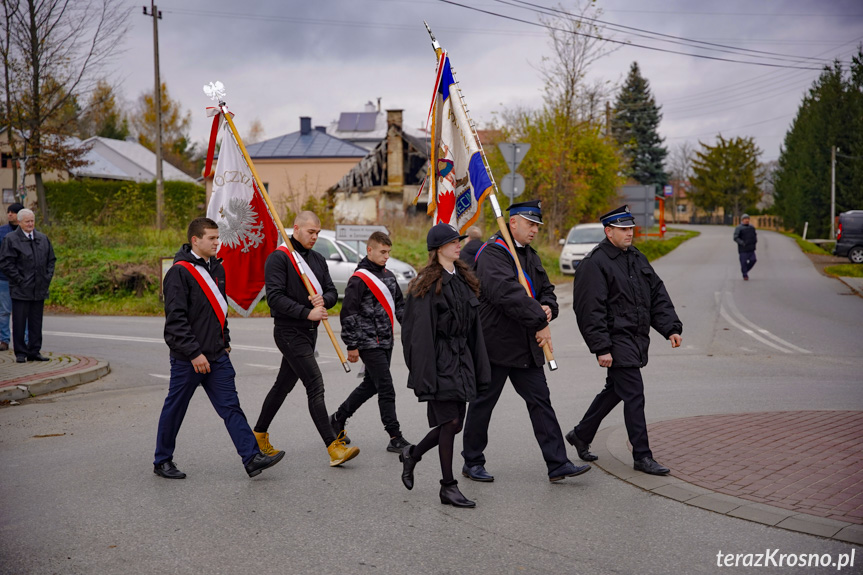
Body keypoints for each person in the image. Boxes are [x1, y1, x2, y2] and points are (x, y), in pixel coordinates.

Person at [461, 200, 590, 483]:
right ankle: (472, 461)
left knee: (540, 402)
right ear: (513, 223)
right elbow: (506, 294)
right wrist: (540, 320)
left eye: (537, 226)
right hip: (495, 345)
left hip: (525, 346)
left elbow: (547, 291)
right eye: (530, 224)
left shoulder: (530, 255)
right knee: (484, 403)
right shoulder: (493, 253)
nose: (534, 230)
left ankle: (557, 464)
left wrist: (548, 308)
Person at [154, 217, 284, 479]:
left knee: (231, 406)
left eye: (217, 237)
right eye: (212, 238)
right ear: (195, 240)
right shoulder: (179, 273)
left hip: (216, 355)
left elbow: (219, 311)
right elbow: (175, 322)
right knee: (175, 408)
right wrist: (194, 353)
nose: (217, 242)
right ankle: (162, 460)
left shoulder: (217, 268)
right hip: (188, 359)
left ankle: (251, 458)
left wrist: (224, 341)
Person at [565, 205, 682, 476]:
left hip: (634, 338)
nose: (630, 233)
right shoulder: (595, 264)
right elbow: (589, 310)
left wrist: (670, 328)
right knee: (634, 394)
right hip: (615, 339)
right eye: (623, 229)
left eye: (631, 228)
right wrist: (601, 347)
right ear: (609, 232)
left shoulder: (636, 258)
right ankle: (642, 456)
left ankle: (581, 434)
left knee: (616, 391)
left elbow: (657, 295)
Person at [253, 211, 359, 467]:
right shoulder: (279, 259)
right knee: (315, 384)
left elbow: (333, 291)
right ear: (296, 228)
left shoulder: (318, 259)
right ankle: (334, 447)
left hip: (309, 333)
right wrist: (306, 312)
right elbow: (275, 298)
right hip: (288, 332)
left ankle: (258, 436)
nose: (315, 237)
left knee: (282, 386)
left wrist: (325, 301)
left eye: (318, 233)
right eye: (311, 232)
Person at [399, 223, 491, 508]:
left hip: (461, 358)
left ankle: (412, 454)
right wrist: (423, 375)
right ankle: (447, 486)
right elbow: (417, 335)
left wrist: (480, 366)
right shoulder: (426, 283)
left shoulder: (462, 277)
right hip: (439, 361)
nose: (458, 245)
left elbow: (474, 328)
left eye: (458, 240)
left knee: (455, 423)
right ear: (438, 248)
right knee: (450, 422)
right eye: (452, 242)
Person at [330, 231, 411, 453]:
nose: (386, 256)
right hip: (367, 342)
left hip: (386, 340)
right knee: (386, 387)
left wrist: (412, 327)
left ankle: (338, 418)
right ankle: (395, 436)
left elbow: (400, 307)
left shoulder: (389, 276)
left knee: (371, 385)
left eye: (388, 252)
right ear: (370, 250)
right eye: (382, 252)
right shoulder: (359, 279)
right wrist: (351, 345)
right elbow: (348, 313)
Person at [0, 208, 55, 363]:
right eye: (27, 221)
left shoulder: (42, 238)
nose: (31, 224)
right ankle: (21, 353)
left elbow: (51, 260)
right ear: (19, 222)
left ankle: (34, 351)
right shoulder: (11, 239)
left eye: (32, 221)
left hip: (39, 289)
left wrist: (46, 279)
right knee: (19, 321)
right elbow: (6, 263)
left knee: (36, 321)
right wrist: (19, 280)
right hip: (20, 289)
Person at [0, 202, 24, 352]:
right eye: (9, 212)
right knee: (4, 310)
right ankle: (3, 339)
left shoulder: (27, 231)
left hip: (23, 278)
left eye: (13, 212)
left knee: (23, 312)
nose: (9, 214)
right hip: (3, 277)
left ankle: (25, 340)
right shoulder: (2, 231)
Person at [733, 213, 757, 280]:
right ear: (742, 220)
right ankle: (745, 275)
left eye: (747, 219)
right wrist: (742, 243)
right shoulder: (739, 228)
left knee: (753, 260)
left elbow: (754, 236)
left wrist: (755, 242)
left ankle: (745, 270)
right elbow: (735, 237)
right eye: (745, 219)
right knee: (743, 262)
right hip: (743, 249)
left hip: (751, 248)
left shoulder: (751, 227)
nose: (746, 220)